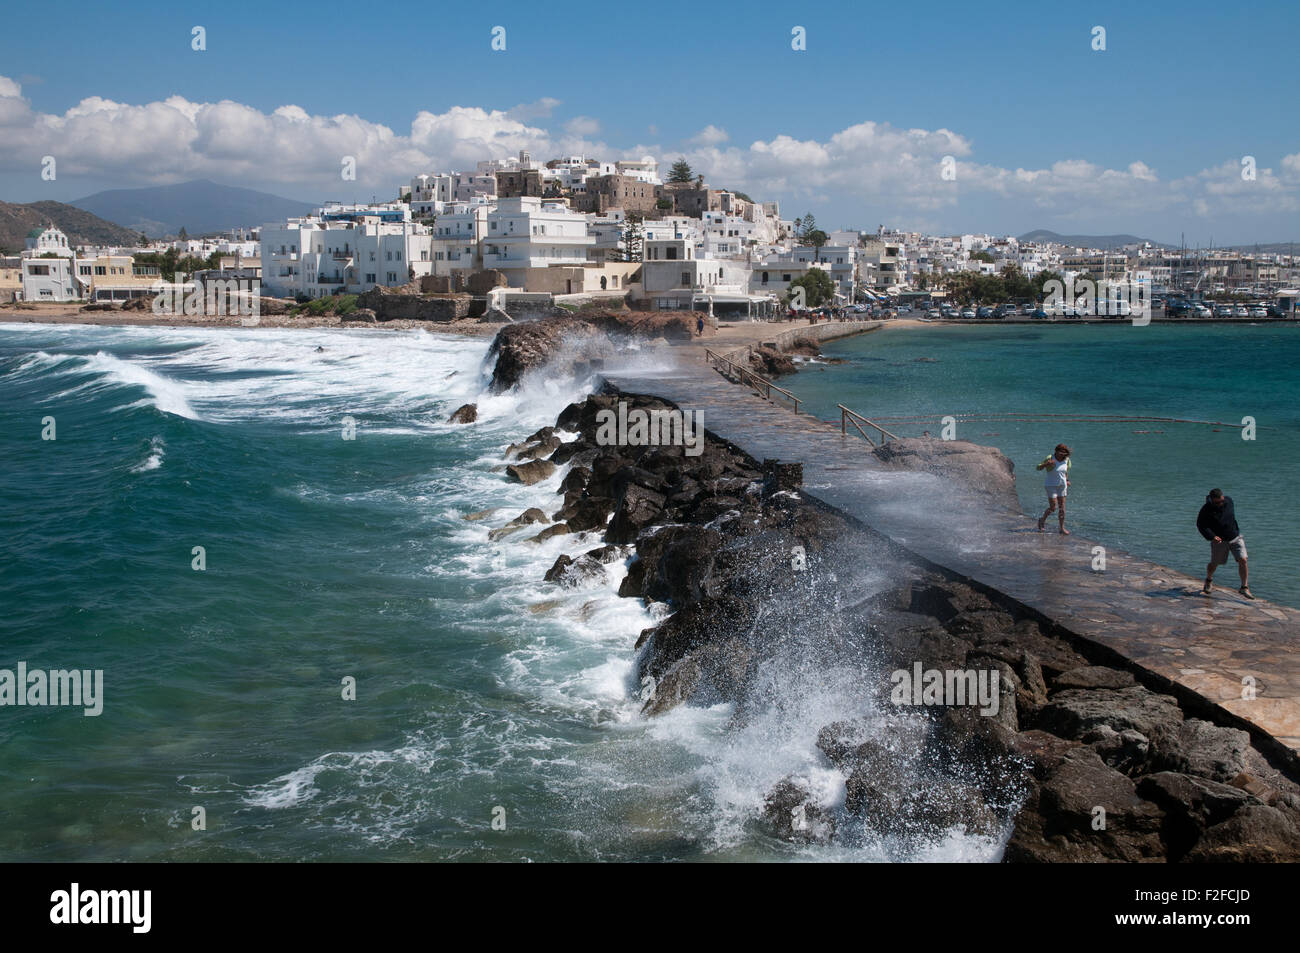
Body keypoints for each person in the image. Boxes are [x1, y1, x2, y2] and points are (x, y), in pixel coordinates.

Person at [1197, 488, 1252, 598]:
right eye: (1218, 502)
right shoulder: (1206, 509)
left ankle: (1244, 587)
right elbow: (1201, 525)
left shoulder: (1229, 501)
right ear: (1212, 500)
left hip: (1235, 537)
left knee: (1243, 559)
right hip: (1220, 541)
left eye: (1222, 500)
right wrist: (1212, 536)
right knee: (1214, 563)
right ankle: (1208, 580)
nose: (1221, 503)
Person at [1036, 443, 1072, 534]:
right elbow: (1038, 468)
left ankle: (1061, 528)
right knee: (1053, 507)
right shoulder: (1050, 457)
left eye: (1064, 454)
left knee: (1062, 507)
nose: (1062, 455)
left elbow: (1066, 471)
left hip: (1062, 485)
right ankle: (1042, 520)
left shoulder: (1067, 460)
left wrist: (1067, 480)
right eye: (1060, 453)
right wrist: (1046, 464)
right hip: (1050, 485)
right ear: (1056, 451)